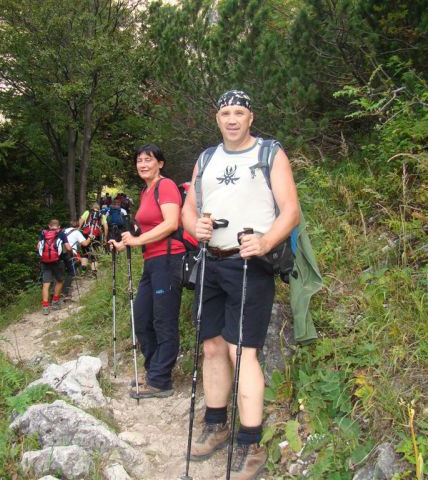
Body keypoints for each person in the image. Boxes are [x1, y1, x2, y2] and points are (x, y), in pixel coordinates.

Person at [181, 90, 300, 479]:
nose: (232, 119)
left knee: (242, 350)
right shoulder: (206, 158)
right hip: (210, 262)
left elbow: (291, 211)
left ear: (251, 117)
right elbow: (190, 208)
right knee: (212, 343)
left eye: (239, 112)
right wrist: (192, 226)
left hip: (249, 262)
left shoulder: (269, 153)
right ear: (217, 118)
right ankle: (216, 423)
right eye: (225, 112)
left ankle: (250, 442)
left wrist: (266, 241)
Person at [108, 143, 186, 399]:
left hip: (168, 258)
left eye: (148, 159)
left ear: (160, 163)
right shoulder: (146, 191)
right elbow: (144, 229)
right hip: (152, 262)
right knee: (142, 319)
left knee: (164, 321)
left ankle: (161, 380)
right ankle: (154, 370)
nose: (143, 164)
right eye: (139, 160)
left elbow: (171, 222)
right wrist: (123, 243)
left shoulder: (166, 186)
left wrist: (139, 241)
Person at [37, 219, 72, 315]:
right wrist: (71, 252)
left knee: (46, 284)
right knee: (60, 281)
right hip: (57, 261)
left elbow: (38, 246)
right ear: (59, 226)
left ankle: (45, 306)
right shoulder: (61, 233)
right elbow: (68, 247)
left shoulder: (43, 233)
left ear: (49, 226)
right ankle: (55, 302)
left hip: (45, 262)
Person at [62, 220, 92, 299]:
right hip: (70, 253)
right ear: (78, 226)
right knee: (71, 272)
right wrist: (90, 238)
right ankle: (65, 293)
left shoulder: (63, 231)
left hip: (59, 253)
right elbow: (85, 243)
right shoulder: (76, 232)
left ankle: (56, 293)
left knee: (60, 272)